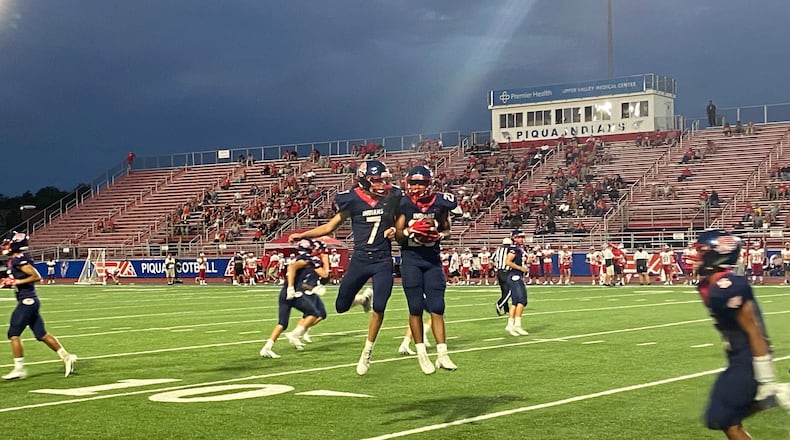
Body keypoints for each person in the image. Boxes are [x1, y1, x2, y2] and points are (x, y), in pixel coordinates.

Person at [289, 160, 399, 375]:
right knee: (341, 306)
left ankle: (367, 352)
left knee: (380, 307)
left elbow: (403, 220)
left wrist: (396, 229)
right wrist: (303, 235)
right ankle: (362, 300)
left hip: (383, 260)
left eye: (383, 180)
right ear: (365, 181)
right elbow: (330, 226)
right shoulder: (352, 200)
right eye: (376, 180)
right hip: (360, 260)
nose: (381, 185)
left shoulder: (393, 197)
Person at [692, 230, 789, 438]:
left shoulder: (729, 286)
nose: (695, 256)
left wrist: (766, 379)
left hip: (748, 358)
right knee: (723, 419)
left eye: (701, 251)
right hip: (737, 355)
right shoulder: (709, 285)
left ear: (717, 254)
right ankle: (771, 399)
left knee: (722, 418)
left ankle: (774, 396)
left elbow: (753, 329)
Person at [394, 165, 460, 374]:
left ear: (429, 184)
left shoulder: (441, 202)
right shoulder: (402, 203)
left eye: (421, 183)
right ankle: (421, 353)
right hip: (411, 259)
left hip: (432, 260)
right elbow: (398, 235)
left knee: (437, 307)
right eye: (413, 183)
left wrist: (439, 235)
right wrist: (410, 230)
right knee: (415, 307)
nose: (416, 187)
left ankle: (442, 354)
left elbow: (447, 230)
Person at [2, 232, 77, 380]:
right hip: (28, 300)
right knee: (41, 334)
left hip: (28, 301)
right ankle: (66, 356)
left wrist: (16, 282)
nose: (5, 246)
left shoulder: (19, 260)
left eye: (7, 243)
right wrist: (9, 282)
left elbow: (36, 276)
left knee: (13, 333)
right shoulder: (14, 260)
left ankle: (19, 369)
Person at [259, 239, 329, 358]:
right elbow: (293, 268)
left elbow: (323, 275)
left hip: (285, 292)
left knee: (282, 323)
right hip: (293, 293)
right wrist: (291, 288)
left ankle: (267, 348)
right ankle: (295, 334)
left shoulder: (302, 258)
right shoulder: (306, 259)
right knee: (313, 313)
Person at [503, 230, 530, 336]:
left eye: (522, 237)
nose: (522, 239)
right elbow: (508, 262)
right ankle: (517, 325)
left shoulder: (521, 249)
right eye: (519, 237)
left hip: (518, 276)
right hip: (514, 276)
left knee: (515, 302)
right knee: (522, 300)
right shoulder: (513, 249)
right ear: (514, 238)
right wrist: (520, 268)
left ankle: (510, 325)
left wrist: (528, 262)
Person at [492, 237, 512, 316]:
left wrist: (496, 267)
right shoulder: (511, 251)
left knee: (504, 291)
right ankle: (499, 304)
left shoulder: (498, 250)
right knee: (510, 291)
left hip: (499, 271)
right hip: (507, 272)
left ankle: (506, 309)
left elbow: (491, 260)